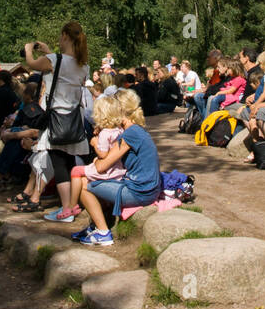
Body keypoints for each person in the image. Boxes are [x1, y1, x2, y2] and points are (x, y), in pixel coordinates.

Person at [15, 22, 92, 223]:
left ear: (65, 35)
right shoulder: (84, 65)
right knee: (68, 162)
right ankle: (71, 205)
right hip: (73, 120)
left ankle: (66, 209)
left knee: (58, 164)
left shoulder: (52, 60)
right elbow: (61, 68)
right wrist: (49, 52)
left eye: (60, 36)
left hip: (55, 119)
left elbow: (32, 64)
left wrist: (28, 49)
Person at [66, 90, 160, 247]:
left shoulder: (130, 134)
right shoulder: (135, 129)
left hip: (140, 192)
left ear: (120, 110)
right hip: (147, 188)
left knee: (83, 183)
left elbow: (102, 165)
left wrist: (95, 150)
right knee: (94, 180)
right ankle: (95, 226)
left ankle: (103, 232)